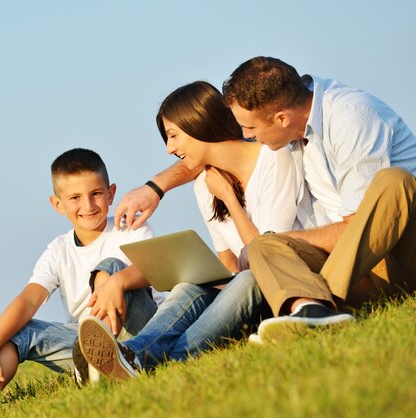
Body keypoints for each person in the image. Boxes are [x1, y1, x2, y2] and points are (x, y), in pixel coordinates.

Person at [77, 81, 300, 381]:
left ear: (200, 124)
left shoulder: (273, 160)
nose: (170, 149)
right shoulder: (204, 186)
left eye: (173, 136)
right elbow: (228, 265)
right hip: (245, 296)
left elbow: (269, 254)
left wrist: (230, 199)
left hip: (283, 286)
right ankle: (133, 354)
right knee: (191, 286)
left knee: (249, 279)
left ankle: (162, 360)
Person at [0, 148, 158, 417]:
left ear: (111, 193)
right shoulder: (58, 249)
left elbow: (154, 270)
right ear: (58, 204)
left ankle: (106, 361)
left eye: (96, 194)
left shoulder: (130, 229)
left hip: (138, 335)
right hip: (83, 348)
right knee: (16, 330)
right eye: (75, 197)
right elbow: (29, 299)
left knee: (110, 268)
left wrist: (116, 281)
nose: (88, 206)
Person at [219, 56, 416, 344]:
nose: (247, 135)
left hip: (401, 253)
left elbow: (356, 227)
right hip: (359, 271)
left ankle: (321, 305)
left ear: (282, 118)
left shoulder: (351, 115)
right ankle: (310, 309)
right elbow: (210, 150)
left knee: (394, 181)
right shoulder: (293, 134)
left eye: (250, 127)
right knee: (263, 243)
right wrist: (157, 187)